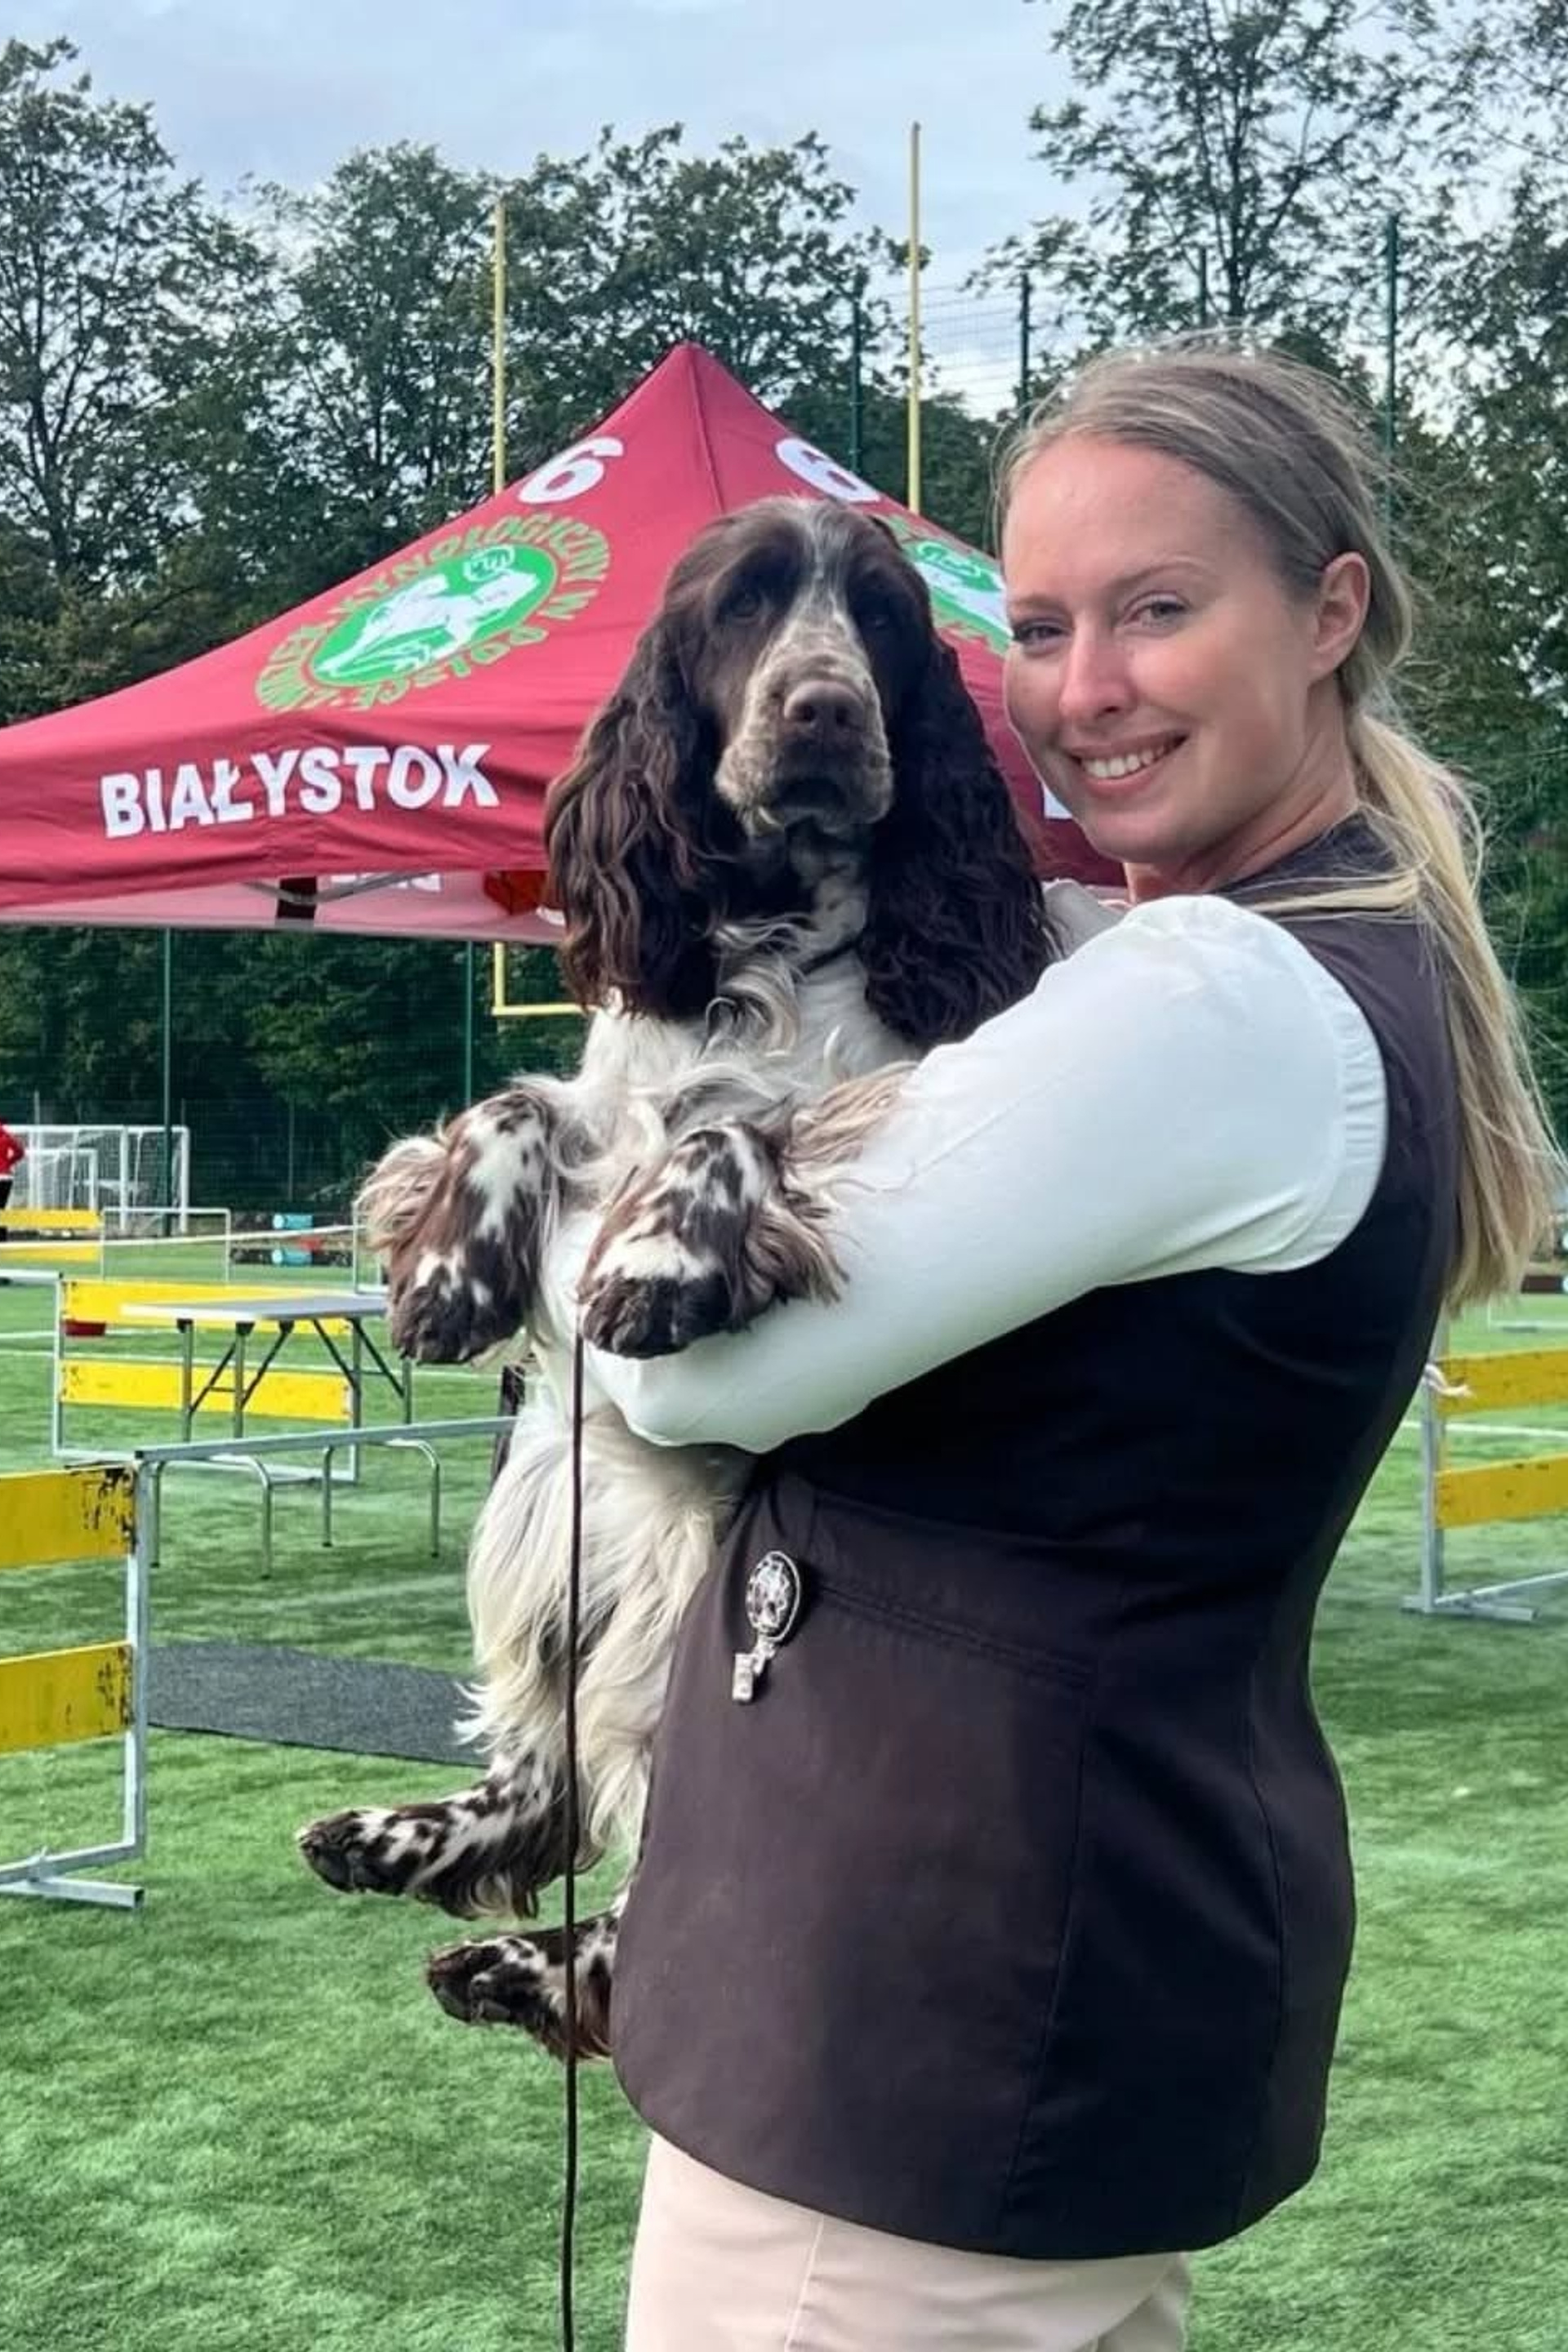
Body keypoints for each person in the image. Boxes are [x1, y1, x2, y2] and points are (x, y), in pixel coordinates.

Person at [568, 342, 1557, 2352]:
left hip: (905, 2040)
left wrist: (590, 1154)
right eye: (1035, 627)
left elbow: (675, 1370)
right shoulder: (1316, 963)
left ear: (1330, 611)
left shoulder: (1203, 995)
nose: (1082, 688)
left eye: (1158, 611)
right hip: (1058, 1989)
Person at [0, 1119, 24, 1217]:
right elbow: (20, 1152)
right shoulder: (7, 1137)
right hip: (6, 1176)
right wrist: (8, 1163)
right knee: (2, 1208)